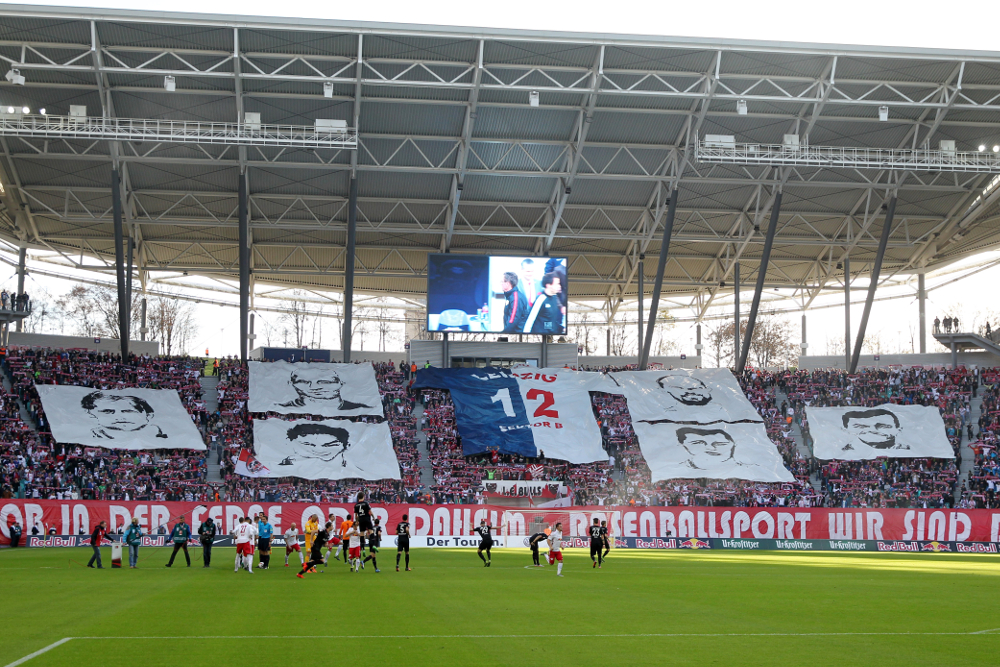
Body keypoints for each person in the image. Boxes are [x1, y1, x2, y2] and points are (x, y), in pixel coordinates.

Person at [81, 392, 168, 440]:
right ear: (92, 414)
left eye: (128, 411)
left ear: (149, 415)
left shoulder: (157, 434)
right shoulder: (93, 435)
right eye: (108, 411)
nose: (119, 417)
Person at [279, 368, 372, 412]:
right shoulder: (280, 409)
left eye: (325, 382)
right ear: (291, 384)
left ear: (341, 383)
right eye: (304, 382)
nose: (314, 387)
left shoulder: (361, 409)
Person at [281, 423, 353, 468]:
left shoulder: (352, 469)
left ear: (346, 446)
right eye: (308, 444)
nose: (319, 449)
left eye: (329, 445)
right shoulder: (283, 466)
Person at [841, 408, 907, 452]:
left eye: (883, 426)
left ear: (898, 429)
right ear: (847, 430)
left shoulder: (904, 450)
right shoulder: (846, 451)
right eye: (862, 426)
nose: (872, 430)